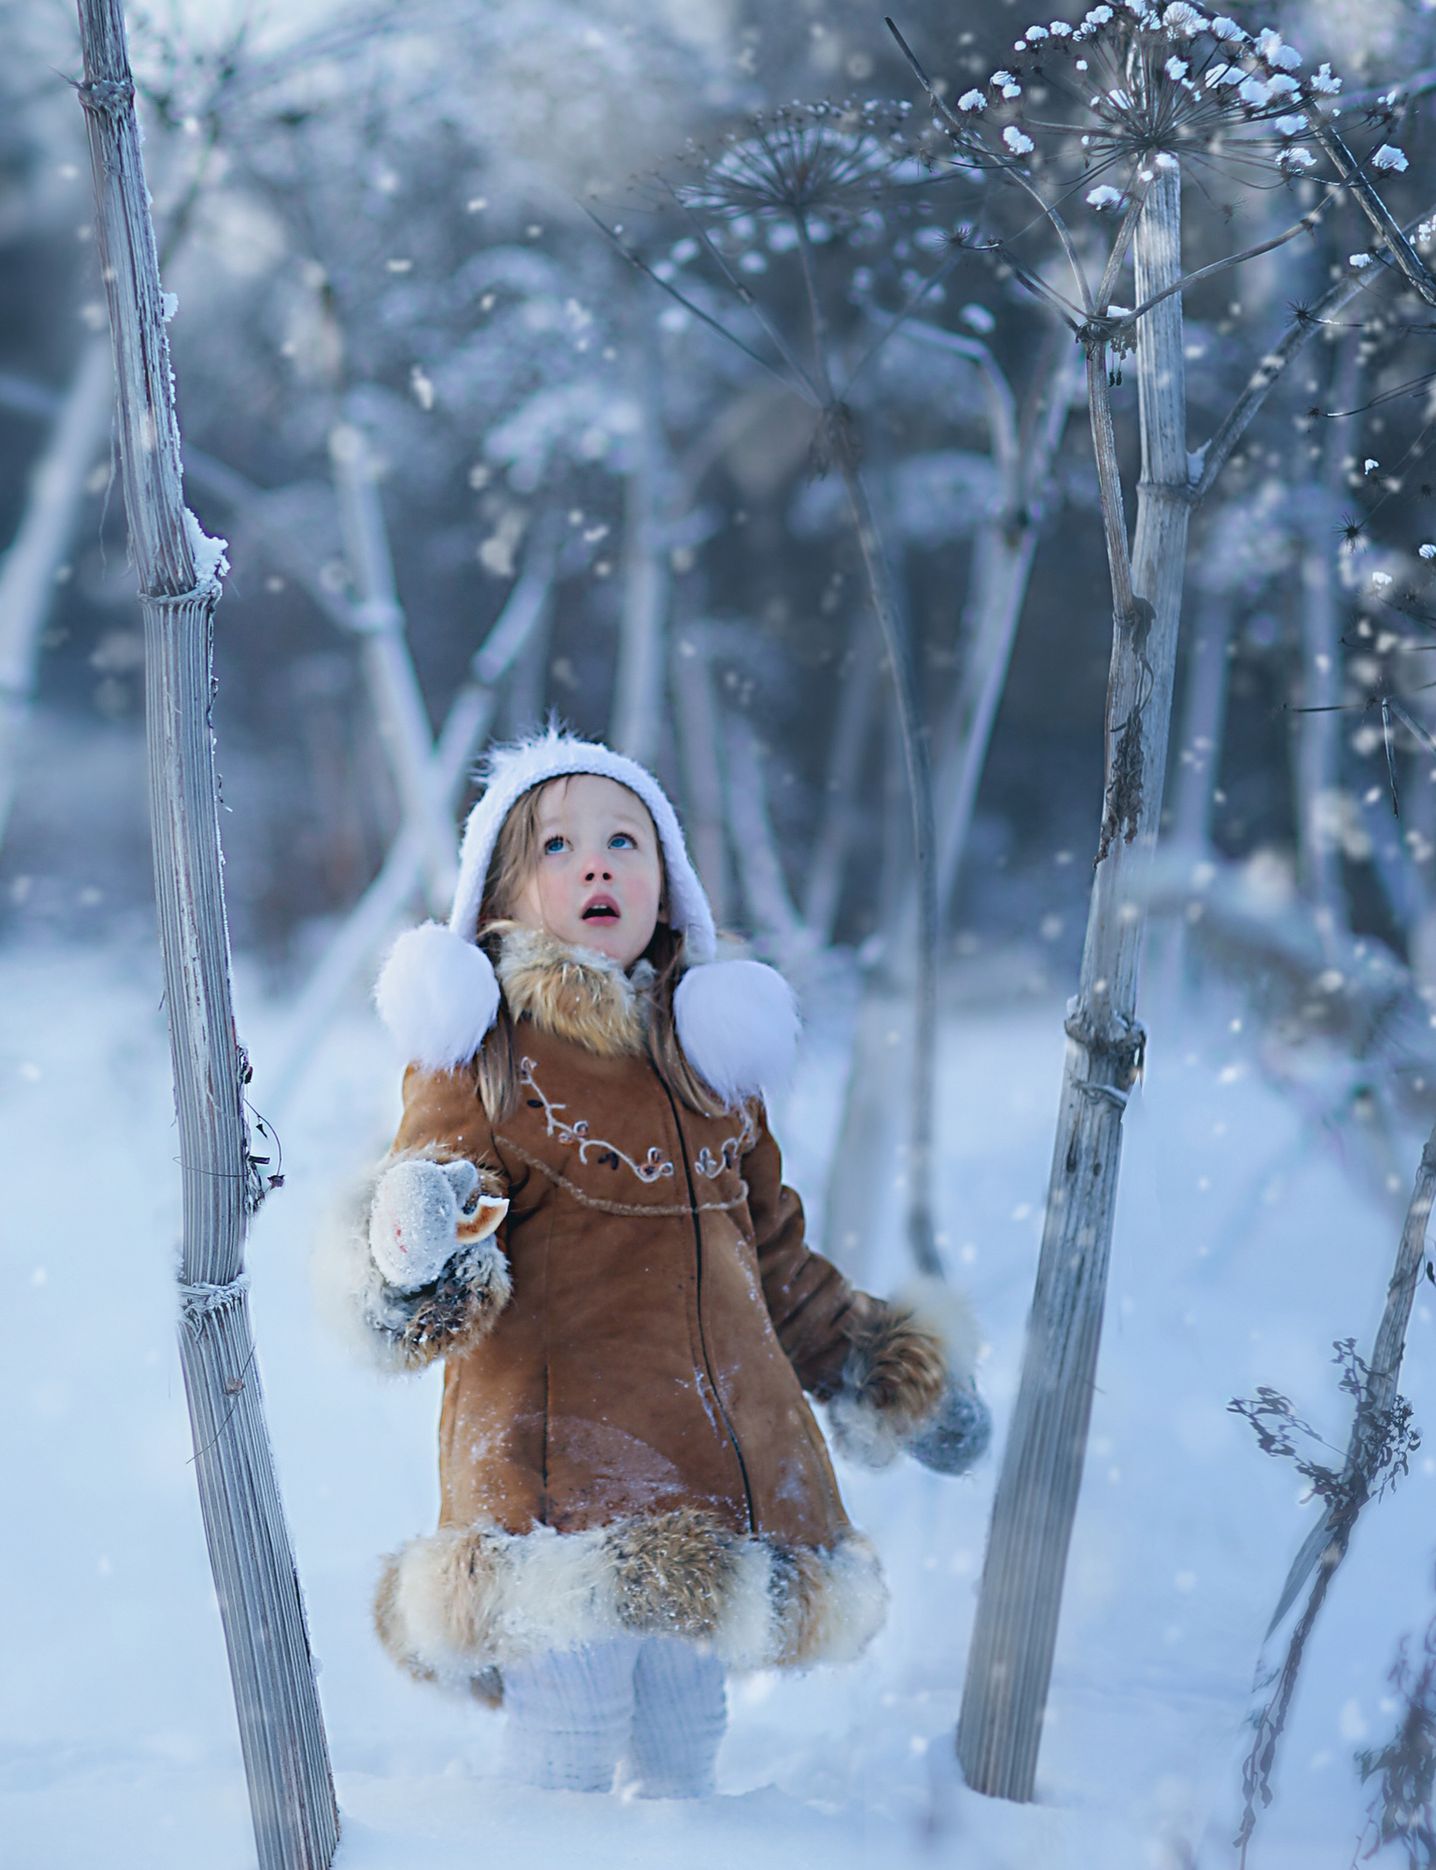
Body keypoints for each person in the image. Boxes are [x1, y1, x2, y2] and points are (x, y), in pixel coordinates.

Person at [344, 730, 990, 1797]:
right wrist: (419, 1242)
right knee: (572, 1725)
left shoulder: (711, 1072)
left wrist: (890, 1371)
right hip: (558, 1481)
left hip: (708, 1475)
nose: (596, 862)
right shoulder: (492, 1056)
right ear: (502, 895)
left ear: (670, 881)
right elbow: (433, 1212)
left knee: (686, 1732)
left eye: (623, 839)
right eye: (557, 845)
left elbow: (775, 1266)